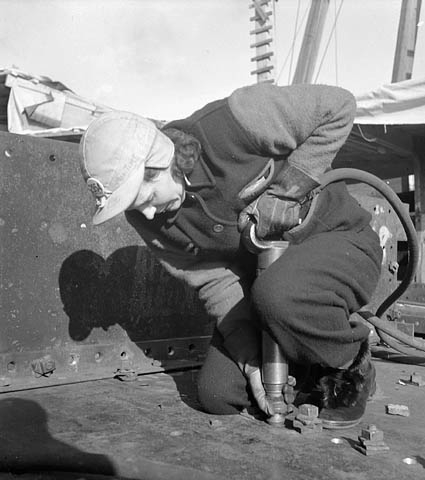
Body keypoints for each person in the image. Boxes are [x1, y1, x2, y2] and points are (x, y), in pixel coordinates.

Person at [79, 82, 382, 429]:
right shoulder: (146, 216)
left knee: (279, 296)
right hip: (271, 287)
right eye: (135, 206)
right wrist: (252, 360)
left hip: (341, 241)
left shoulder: (233, 121)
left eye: (145, 197)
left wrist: (287, 192)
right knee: (218, 393)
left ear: (160, 161)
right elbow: (213, 280)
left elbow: (338, 106)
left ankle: (352, 367)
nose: (147, 215)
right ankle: (309, 349)